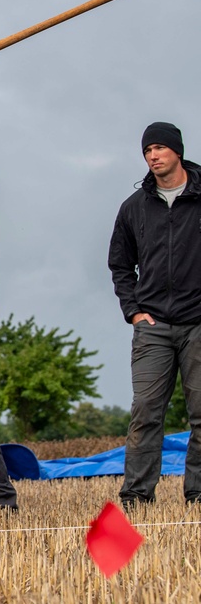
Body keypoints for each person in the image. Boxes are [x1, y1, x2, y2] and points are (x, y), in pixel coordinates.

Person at [108, 122, 201, 507]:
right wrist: (133, 312)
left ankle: (197, 495)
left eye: (160, 148)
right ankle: (136, 496)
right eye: (147, 151)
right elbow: (119, 265)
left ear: (177, 151)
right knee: (146, 412)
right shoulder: (134, 208)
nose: (153, 156)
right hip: (153, 327)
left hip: (198, 324)